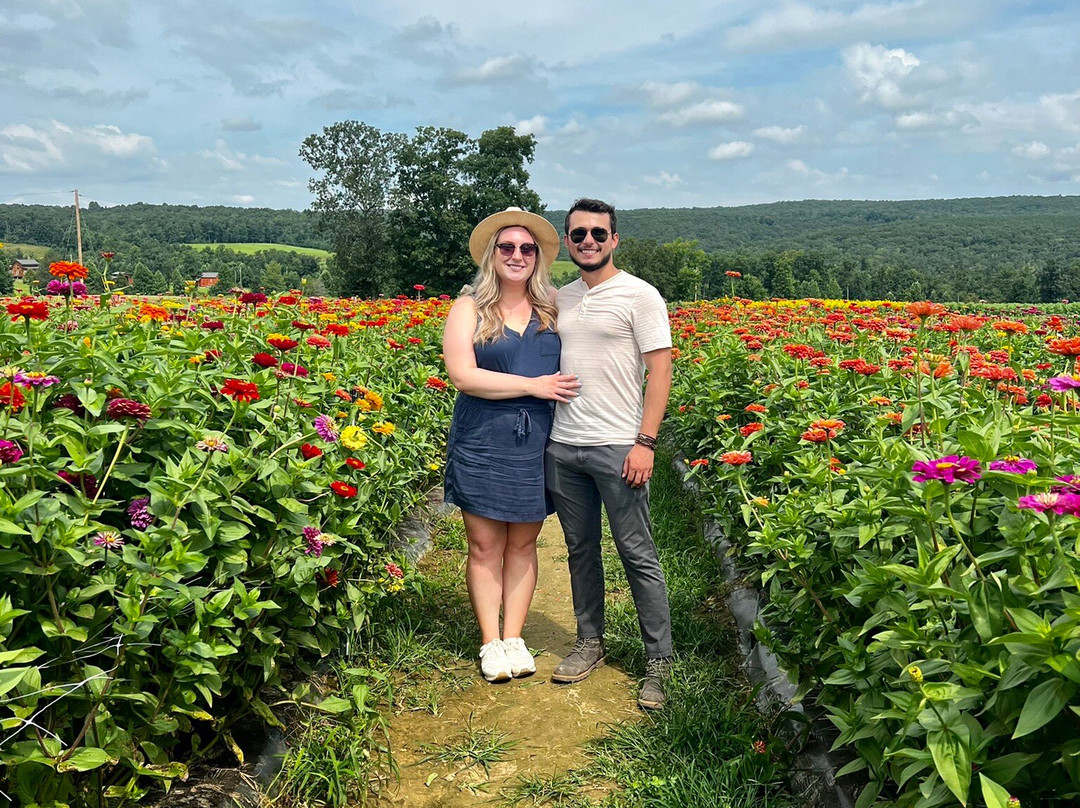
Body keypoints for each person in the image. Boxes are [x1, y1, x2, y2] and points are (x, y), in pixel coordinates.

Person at [544, 197, 674, 710]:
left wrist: (645, 442)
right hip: (565, 445)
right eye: (579, 235)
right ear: (567, 241)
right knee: (580, 551)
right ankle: (589, 641)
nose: (589, 242)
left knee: (637, 553)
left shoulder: (639, 295)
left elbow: (659, 370)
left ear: (615, 239)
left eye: (599, 234)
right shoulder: (559, 298)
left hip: (620, 445)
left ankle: (658, 659)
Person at [442, 207, 581, 683]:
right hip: (482, 437)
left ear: (538, 257)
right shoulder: (469, 309)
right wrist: (534, 386)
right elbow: (462, 375)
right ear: (491, 255)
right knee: (484, 545)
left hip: (536, 441)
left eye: (527, 248)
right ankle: (489, 642)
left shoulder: (554, 309)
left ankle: (515, 637)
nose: (517, 255)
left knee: (524, 542)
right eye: (507, 247)